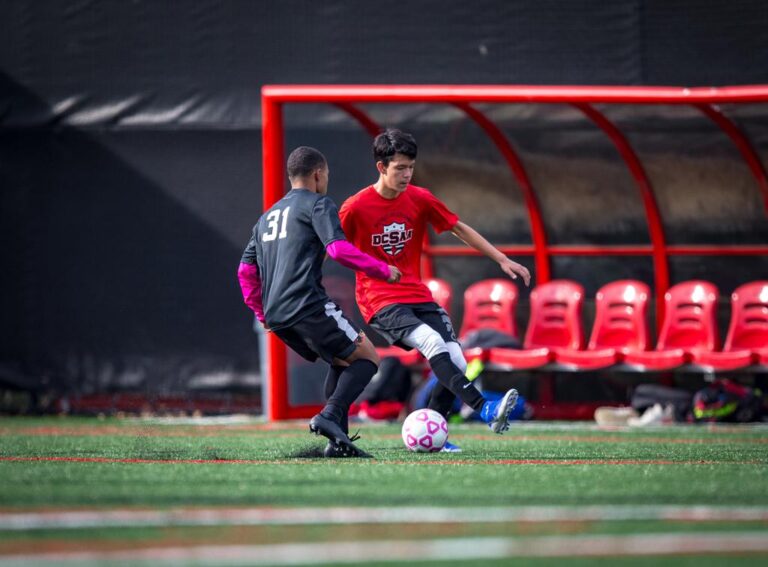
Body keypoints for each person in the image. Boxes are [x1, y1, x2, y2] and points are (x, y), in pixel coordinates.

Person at [339, 129, 531, 452]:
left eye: (410, 167)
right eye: (400, 168)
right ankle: (485, 408)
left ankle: (435, 437)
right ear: (381, 167)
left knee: (455, 357)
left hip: (417, 295)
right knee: (431, 342)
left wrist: (501, 258)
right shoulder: (355, 207)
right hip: (379, 300)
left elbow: (457, 227)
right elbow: (332, 245)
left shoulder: (419, 198)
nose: (406, 174)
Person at [238, 146, 402, 458]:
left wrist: (262, 312)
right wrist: (381, 269)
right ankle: (329, 416)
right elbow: (338, 250)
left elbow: (245, 271)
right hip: (307, 303)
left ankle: (337, 444)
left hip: (277, 313)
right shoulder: (317, 204)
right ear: (318, 174)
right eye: (325, 175)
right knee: (368, 357)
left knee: (342, 360)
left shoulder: (266, 218)